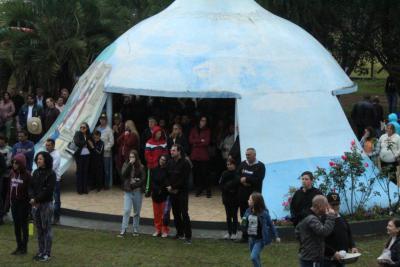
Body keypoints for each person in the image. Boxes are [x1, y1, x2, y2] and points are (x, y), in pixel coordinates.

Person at [29, 151, 56, 262]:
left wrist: (36, 199)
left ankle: (47, 253)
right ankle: (41, 251)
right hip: (35, 205)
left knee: (46, 229)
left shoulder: (51, 173)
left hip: (46, 204)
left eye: (40, 159)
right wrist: (32, 198)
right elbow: (31, 187)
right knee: (39, 229)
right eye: (37, 159)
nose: (38, 161)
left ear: (46, 160)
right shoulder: (35, 172)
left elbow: (48, 191)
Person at [295, 195, 336, 267]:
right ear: (319, 206)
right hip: (312, 259)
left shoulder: (305, 215)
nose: (327, 208)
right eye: (326, 206)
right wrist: (331, 216)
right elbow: (324, 232)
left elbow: (297, 232)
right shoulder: (311, 219)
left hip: (307, 256)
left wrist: (304, 244)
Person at [242, 192, 280, 267]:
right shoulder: (248, 210)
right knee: (256, 257)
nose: (248, 201)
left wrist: (276, 236)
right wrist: (244, 224)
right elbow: (243, 222)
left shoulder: (264, 213)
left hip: (260, 240)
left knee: (253, 257)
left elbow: (271, 225)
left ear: (255, 202)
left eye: (250, 199)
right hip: (251, 239)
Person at [237, 148, 266, 242]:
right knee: (244, 216)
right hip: (243, 196)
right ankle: (244, 236)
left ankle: (253, 237)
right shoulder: (242, 164)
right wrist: (242, 180)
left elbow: (258, 179)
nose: (247, 156)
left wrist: (246, 179)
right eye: (246, 155)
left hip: (254, 197)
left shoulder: (260, 166)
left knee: (254, 216)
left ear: (254, 155)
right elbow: (237, 176)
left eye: (249, 154)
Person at [324, 192, 358, 267]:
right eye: (333, 205)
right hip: (328, 260)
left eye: (337, 204)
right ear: (327, 205)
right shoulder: (323, 219)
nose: (335, 207)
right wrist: (333, 253)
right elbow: (320, 241)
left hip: (342, 259)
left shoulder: (342, 217)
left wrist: (352, 246)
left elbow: (348, 233)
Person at [166, 144, 192, 244]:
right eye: (171, 150)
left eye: (173, 150)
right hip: (172, 193)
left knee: (184, 214)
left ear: (179, 151)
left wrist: (174, 187)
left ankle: (188, 236)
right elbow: (166, 176)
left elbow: (184, 179)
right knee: (176, 213)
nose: (171, 152)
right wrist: (169, 187)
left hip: (182, 192)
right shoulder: (170, 162)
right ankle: (179, 233)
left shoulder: (185, 163)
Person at [117, 149, 145, 237]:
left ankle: (135, 229)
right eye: (130, 157)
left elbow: (143, 179)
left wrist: (135, 185)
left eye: (133, 157)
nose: (131, 158)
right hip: (128, 191)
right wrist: (130, 164)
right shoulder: (126, 164)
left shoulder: (141, 166)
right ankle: (123, 229)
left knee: (136, 212)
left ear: (136, 157)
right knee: (126, 210)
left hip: (137, 192)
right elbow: (123, 175)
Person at [9, 153, 30, 255]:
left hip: (24, 204)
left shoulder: (27, 175)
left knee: (24, 225)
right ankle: (19, 246)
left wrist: (30, 206)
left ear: (21, 164)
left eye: (16, 163)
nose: (14, 164)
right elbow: (10, 189)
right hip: (14, 203)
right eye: (13, 162)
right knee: (16, 225)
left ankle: (24, 248)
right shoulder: (12, 173)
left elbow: (30, 191)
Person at [189, 116, 211, 198]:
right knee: (197, 174)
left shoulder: (207, 130)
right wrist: (200, 140)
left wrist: (196, 142)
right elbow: (190, 140)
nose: (203, 122)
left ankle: (208, 190)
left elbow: (207, 142)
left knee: (205, 173)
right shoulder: (193, 129)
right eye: (202, 120)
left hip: (204, 155)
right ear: (199, 121)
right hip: (195, 155)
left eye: (205, 121)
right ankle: (200, 189)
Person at [144, 125, 168, 196]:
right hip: (152, 164)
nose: (159, 134)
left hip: (161, 164)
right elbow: (147, 154)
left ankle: (159, 190)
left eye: (160, 133)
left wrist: (162, 161)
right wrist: (153, 161)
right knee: (149, 179)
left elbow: (165, 153)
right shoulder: (149, 142)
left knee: (160, 178)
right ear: (154, 133)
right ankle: (148, 191)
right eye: (158, 133)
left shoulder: (164, 142)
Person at [219, 158, 239, 240]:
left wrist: (230, 188)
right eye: (227, 164)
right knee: (228, 216)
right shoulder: (224, 173)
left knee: (234, 215)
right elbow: (220, 184)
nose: (229, 166)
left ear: (234, 165)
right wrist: (226, 188)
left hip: (235, 198)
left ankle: (234, 232)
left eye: (230, 164)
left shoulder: (237, 173)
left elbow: (236, 184)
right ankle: (229, 232)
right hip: (226, 198)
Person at [150, 154, 169, 238]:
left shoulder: (167, 171)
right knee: (156, 214)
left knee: (164, 214)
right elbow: (152, 181)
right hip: (155, 194)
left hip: (164, 195)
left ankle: (164, 230)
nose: (162, 161)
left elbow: (166, 182)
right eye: (161, 159)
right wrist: (156, 189)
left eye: (164, 160)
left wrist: (161, 189)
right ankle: (158, 230)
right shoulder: (154, 170)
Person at [45, 139, 61, 225]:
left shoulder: (57, 155)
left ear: (53, 146)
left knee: (56, 200)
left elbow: (52, 168)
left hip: (55, 180)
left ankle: (56, 218)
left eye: (49, 145)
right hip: (47, 180)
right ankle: (48, 217)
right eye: (46, 145)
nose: (47, 147)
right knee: (48, 200)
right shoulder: (46, 154)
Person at [96, 114, 114, 189]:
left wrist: (105, 148)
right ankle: (100, 184)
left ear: (106, 120)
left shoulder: (109, 130)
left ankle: (106, 185)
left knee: (106, 170)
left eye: (104, 119)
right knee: (99, 169)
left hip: (106, 153)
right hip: (98, 153)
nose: (102, 120)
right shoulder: (97, 128)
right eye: (101, 119)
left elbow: (112, 142)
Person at [73, 122, 91, 194]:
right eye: (81, 127)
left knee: (85, 172)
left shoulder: (88, 135)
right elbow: (77, 142)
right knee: (79, 172)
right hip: (79, 155)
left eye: (84, 127)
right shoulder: (77, 133)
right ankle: (79, 189)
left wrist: (85, 143)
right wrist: (85, 142)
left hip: (87, 155)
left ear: (87, 128)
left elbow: (90, 143)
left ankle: (85, 189)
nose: (82, 129)